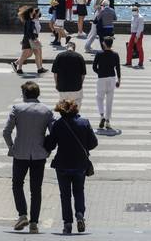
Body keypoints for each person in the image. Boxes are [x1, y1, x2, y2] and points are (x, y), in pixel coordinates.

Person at [3, 82, 54, 234]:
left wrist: (11, 147)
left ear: (24, 94)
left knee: (17, 184)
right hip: (39, 155)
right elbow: (54, 133)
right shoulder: (46, 110)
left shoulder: (17, 109)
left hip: (20, 153)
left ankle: (22, 214)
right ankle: (34, 223)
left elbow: (6, 131)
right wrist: (48, 149)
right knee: (36, 189)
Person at [45, 100, 98, 235]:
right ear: (75, 109)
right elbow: (93, 143)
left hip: (62, 165)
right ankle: (80, 214)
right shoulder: (84, 122)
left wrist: (46, 139)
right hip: (80, 164)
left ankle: (67, 223)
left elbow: (50, 145)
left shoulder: (58, 124)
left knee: (65, 195)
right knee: (79, 191)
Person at [93, 36, 121, 130]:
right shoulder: (115, 54)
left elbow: (94, 67)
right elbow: (118, 68)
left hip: (101, 78)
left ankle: (102, 116)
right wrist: (119, 80)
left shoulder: (99, 53)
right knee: (109, 100)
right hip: (112, 78)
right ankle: (108, 121)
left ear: (104, 44)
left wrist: (99, 72)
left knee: (99, 98)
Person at [11, 6, 47, 74]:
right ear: (31, 12)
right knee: (31, 53)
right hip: (30, 39)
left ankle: (18, 66)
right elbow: (29, 31)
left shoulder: (29, 20)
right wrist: (34, 39)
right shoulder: (29, 21)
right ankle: (20, 68)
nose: (34, 11)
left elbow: (27, 31)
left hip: (30, 38)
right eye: (33, 11)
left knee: (30, 54)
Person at [51, 42, 86, 108]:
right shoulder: (79, 56)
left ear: (66, 47)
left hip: (63, 86)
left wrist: (56, 84)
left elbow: (55, 73)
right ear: (74, 48)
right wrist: (80, 84)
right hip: (76, 87)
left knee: (63, 106)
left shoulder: (59, 56)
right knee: (76, 106)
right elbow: (83, 74)